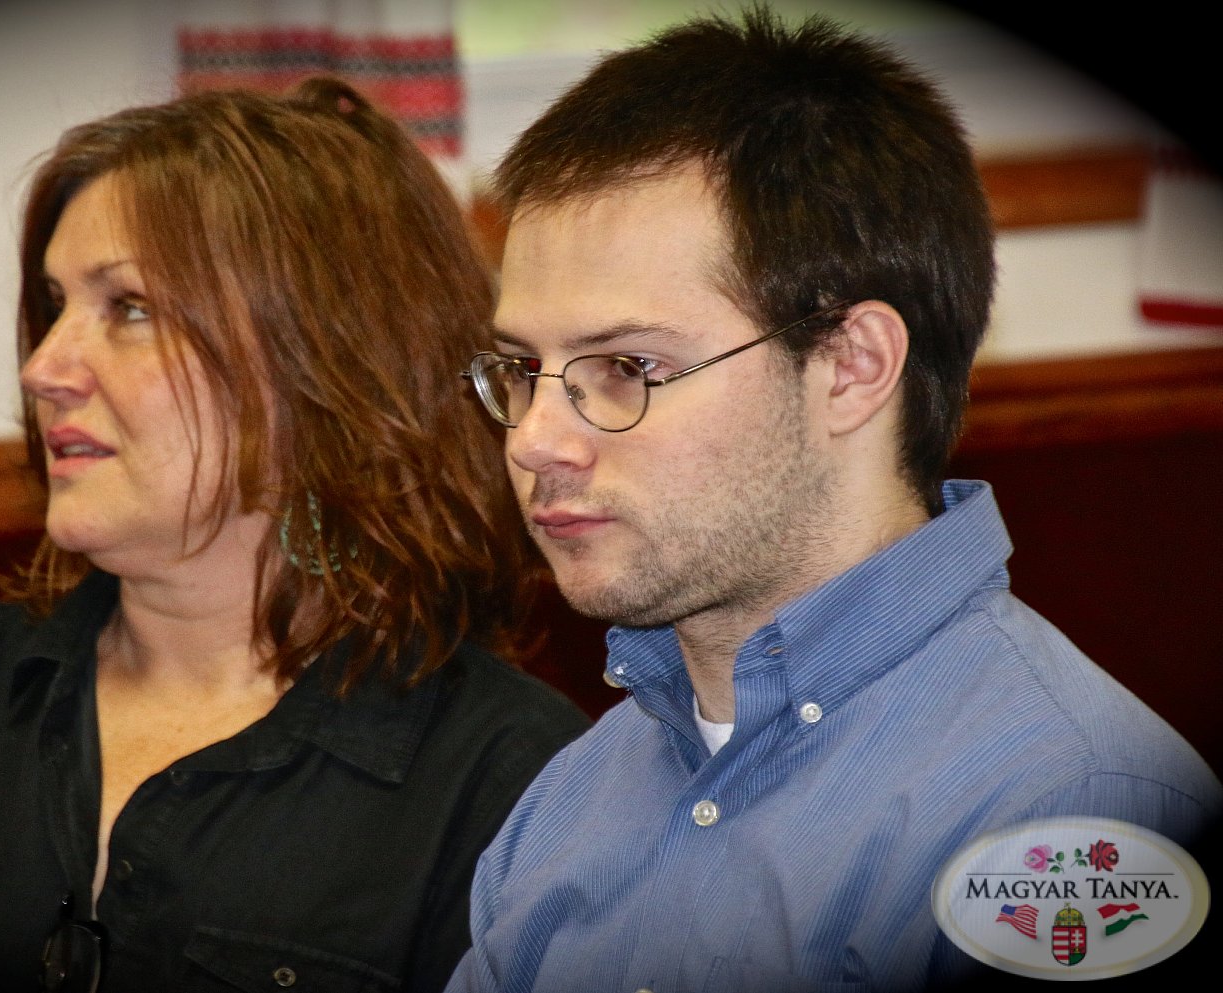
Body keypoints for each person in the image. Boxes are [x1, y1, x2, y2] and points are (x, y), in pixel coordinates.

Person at [0, 77, 591, 993]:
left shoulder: (507, 782)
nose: (43, 366)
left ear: (323, 360)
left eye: (129, 308)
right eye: (54, 305)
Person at [447, 7, 1222, 993]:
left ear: (851, 368)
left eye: (628, 367)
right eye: (523, 369)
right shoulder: (569, 802)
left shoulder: (1074, 820)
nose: (533, 441)